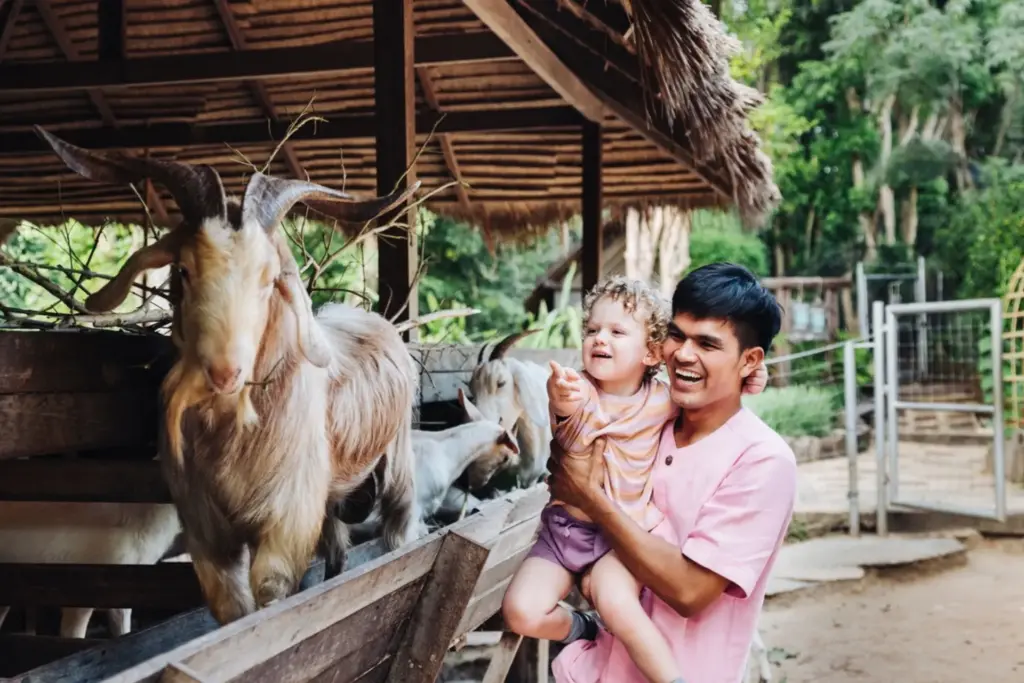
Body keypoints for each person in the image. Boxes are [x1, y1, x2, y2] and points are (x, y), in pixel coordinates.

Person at [501, 274, 769, 683]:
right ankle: (582, 628)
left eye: (616, 331)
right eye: (592, 330)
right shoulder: (582, 391)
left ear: (650, 353)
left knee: (618, 604)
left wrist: (748, 379)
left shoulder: (663, 400)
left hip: (619, 536)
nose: (599, 339)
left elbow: (713, 397)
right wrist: (560, 396)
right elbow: (564, 417)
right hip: (563, 531)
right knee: (520, 610)